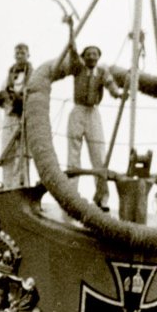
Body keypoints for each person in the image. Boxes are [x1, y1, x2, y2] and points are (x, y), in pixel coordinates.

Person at [56, 43, 126, 210]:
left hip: (93, 113)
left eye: (95, 54)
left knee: (99, 155)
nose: (92, 57)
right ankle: (71, 196)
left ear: (99, 57)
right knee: (73, 155)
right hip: (78, 111)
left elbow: (110, 84)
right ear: (83, 57)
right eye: (88, 54)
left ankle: (102, 198)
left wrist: (117, 94)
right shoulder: (78, 68)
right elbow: (73, 54)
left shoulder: (102, 72)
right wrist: (72, 36)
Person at [0, 43, 33, 187]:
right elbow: (1, 96)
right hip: (9, 116)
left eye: (22, 53)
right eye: (17, 53)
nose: (19, 55)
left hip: (24, 116)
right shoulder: (9, 76)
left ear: (28, 55)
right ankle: (7, 185)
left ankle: (22, 183)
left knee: (23, 152)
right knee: (7, 150)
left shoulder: (32, 74)